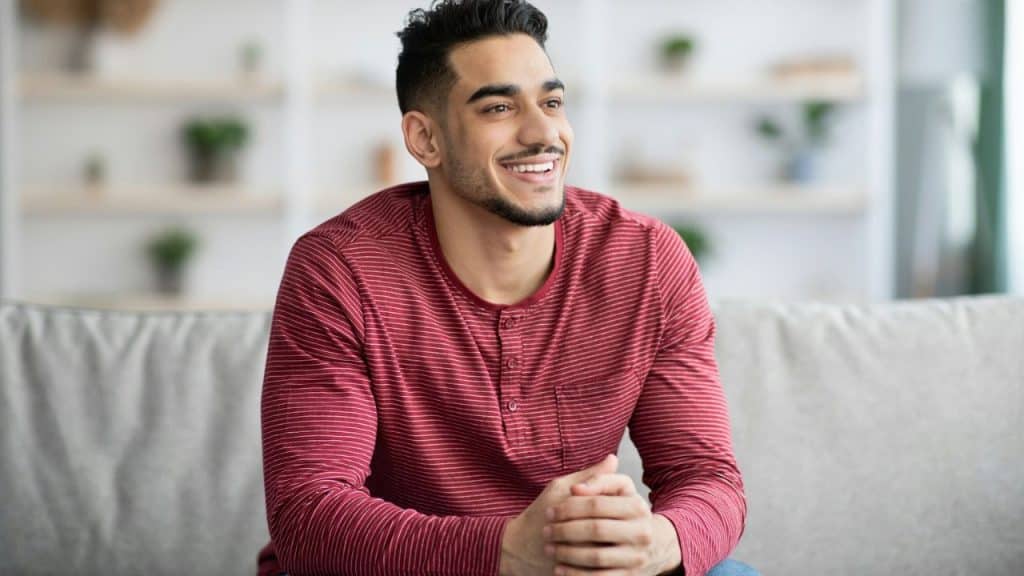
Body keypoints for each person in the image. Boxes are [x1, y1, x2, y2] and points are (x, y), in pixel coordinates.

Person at [258, 1, 757, 574]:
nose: (544, 132)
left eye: (551, 102)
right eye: (498, 106)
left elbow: (708, 478)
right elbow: (308, 513)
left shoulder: (645, 260)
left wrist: (655, 542)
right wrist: (505, 551)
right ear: (425, 140)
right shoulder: (339, 270)